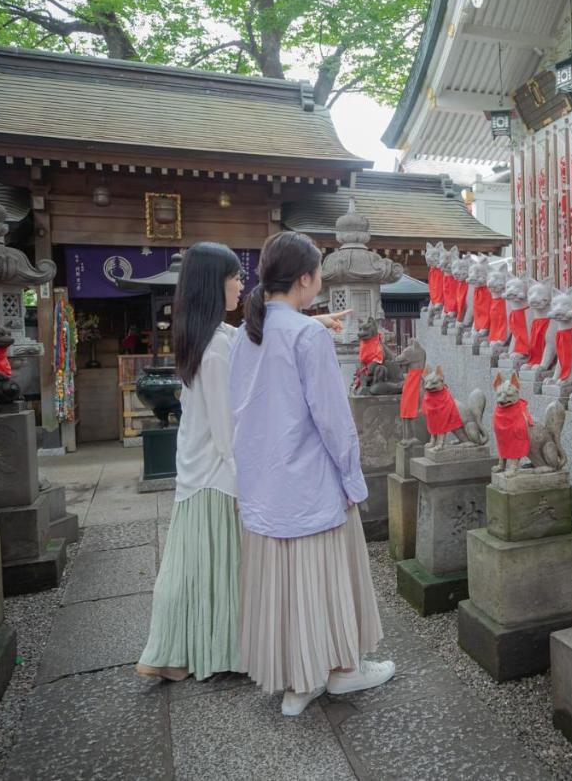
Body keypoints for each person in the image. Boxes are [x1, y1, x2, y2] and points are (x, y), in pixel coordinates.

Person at [230, 231, 393, 716]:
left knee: (283, 584)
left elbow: (239, 408)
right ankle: (342, 669)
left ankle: (297, 680)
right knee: (325, 577)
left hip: (264, 480)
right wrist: (353, 478)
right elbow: (333, 418)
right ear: (306, 279)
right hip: (309, 480)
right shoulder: (307, 336)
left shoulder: (247, 334)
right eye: (318, 271)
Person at [136, 242, 244, 682]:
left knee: (188, 567)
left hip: (198, 472)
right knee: (209, 571)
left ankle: (169, 653)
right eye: (235, 276)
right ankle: (181, 652)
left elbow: (252, 335)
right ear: (213, 284)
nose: (242, 284)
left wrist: (310, 324)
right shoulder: (216, 349)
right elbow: (226, 433)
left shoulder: (210, 337)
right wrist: (247, 484)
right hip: (217, 477)